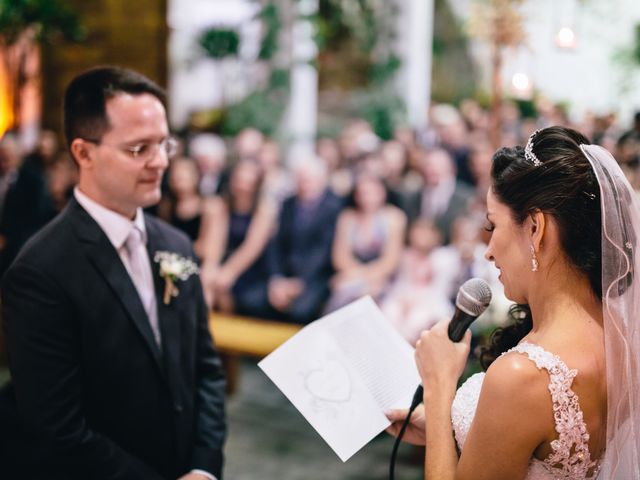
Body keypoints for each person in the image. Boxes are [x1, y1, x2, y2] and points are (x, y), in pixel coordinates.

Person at [1, 67, 226, 479]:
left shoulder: (176, 246)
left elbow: (206, 370)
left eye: (163, 144)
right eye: (139, 149)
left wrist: (204, 467)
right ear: (83, 153)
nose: (160, 162)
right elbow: (58, 427)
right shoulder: (40, 271)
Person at [387, 126, 640, 478]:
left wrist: (439, 385)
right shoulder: (623, 345)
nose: (488, 252)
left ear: (535, 228)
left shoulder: (523, 375)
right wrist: (447, 429)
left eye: (492, 227)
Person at [264, 158, 343, 324]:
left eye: (308, 180)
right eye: (300, 180)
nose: (304, 185)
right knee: (254, 302)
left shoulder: (334, 207)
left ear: (321, 180)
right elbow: (276, 245)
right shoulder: (288, 203)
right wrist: (277, 278)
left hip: (316, 277)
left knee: (300, 311)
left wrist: (300, 282)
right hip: (285, 273)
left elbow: (324, 251)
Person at [199, 158, 276, 314]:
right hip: (222, 259)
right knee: (206, 281)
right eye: (239, 180)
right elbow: (214, 244)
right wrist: (211, 269)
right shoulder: (219, 205)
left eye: (248, 182)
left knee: (223, 286)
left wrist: (227, 273)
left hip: (249, 268)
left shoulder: (265, 210)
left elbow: (252, 248)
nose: (242, 186)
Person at [324, 170, 406, 313]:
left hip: (385, 278)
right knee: (343, 292)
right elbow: (340, 257)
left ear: (383, 192)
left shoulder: (395, 218)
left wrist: (365, 277)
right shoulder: (347, 218)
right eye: (363, 193)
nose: (368, 197)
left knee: (368, 294)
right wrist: (359, 276)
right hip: (352, 273)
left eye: (373, 192)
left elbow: (390, 261)